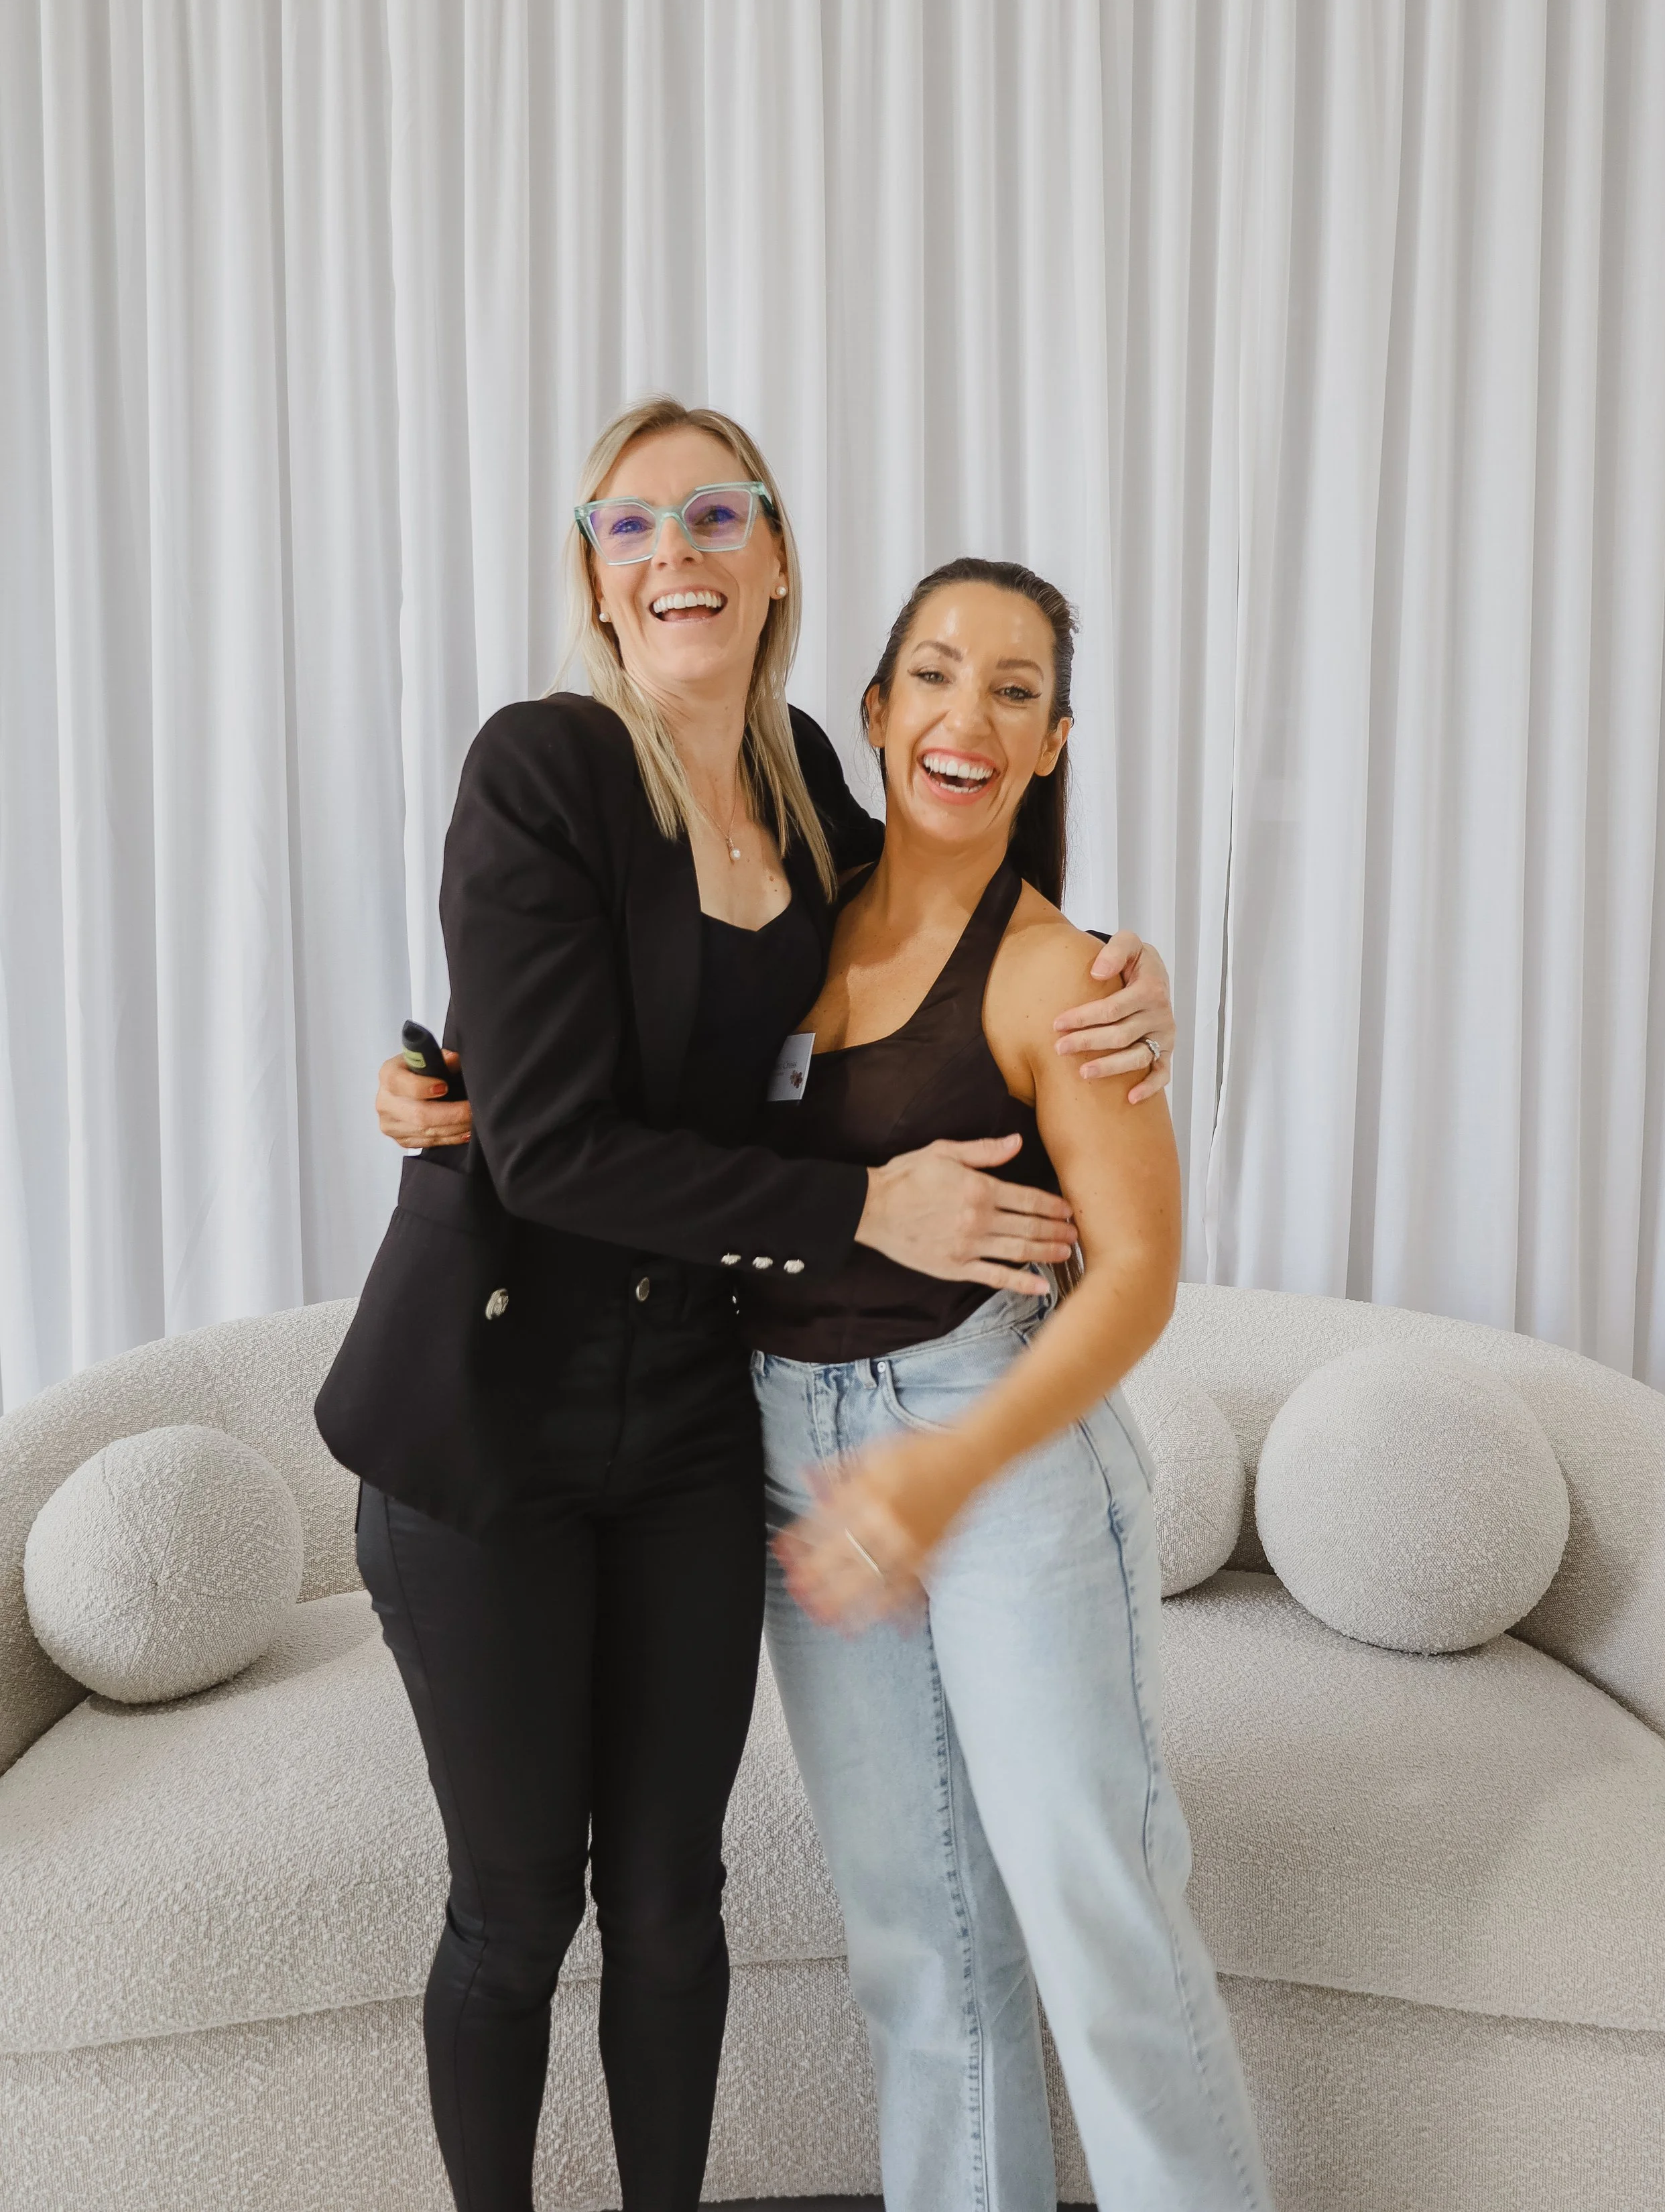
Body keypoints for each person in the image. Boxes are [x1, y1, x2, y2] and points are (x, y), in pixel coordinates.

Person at [335, 393, 1176, 2212]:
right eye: (629, 525)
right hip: (488, 1416)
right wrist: (860, 1199)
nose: (676, 551)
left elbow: (934, 909)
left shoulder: (800, 774)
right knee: (516, 1908)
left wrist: (1120, 967)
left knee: (670, 1900)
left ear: (777, 555)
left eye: (715, 513)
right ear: (592, 576)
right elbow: (549, 1143)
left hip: (696, 1424)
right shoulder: (545, 766)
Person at [747, 558, 1274, 2212]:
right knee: (920, 1955)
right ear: (873, 709)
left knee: (1097, 1929)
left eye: (1013, 689)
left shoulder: (1060, 978)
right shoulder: (789, 926)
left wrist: (947, 1467)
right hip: (798, 1450)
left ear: (1050, 743)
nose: (964, 715)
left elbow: (1135, 1277)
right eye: (932, 673)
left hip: (996, 1459)